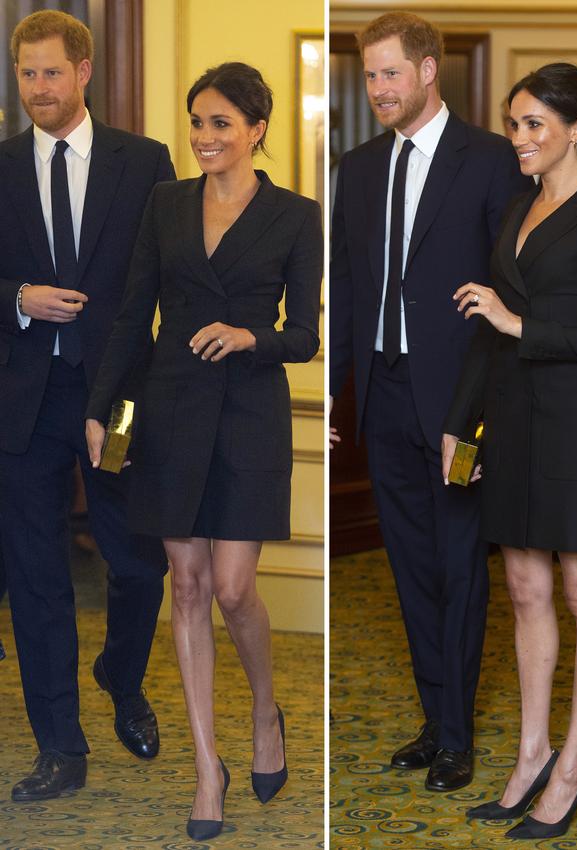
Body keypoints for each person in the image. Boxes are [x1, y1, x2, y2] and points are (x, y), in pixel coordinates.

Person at [85, 62, 323, 839]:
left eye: (221, 123)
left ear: (257, 128)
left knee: (230, 589)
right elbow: (132, 316)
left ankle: (265, 713)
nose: (204, 137)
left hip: (250, 411)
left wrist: (252, 334)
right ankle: (206, 769)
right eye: (197, 122)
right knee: (184, 588)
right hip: (169, 410)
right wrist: (104, 411)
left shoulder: (297, 215)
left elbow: (304, 335)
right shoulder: (165, 203)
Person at [443, 62, 577, 839]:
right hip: (512, 420)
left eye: (533, 124)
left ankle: (573, 767)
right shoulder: (518, 210)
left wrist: (516, 324)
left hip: (575, 425)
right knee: (525, 591)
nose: (519, 138)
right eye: (514, 123)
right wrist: (461, 425)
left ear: (576, 129)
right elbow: (483, 325)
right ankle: (530, 755)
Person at [329, 11, 530, 791]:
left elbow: (501, 298)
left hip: (456, 402)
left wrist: (473, 416)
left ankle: (457, 734)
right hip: (381, 394)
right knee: (408, 566)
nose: (377, 88)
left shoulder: (488, 160)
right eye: (368, 75)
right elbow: (350, 285)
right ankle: (434, 714)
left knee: (458, 566)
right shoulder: (358, 165)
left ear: (425, 71)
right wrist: (341, 401)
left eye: (388, 73)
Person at [0, 10, 175, 801]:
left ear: (84, 71)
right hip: (23, 404)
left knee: (140, 564)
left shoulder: (145, 164)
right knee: (37, 579)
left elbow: (169, 277)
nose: (38, 88)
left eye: (50, 72)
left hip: (120, 398)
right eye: (25, 74)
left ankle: (122, 673)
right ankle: (60, 750)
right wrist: (20, 298)